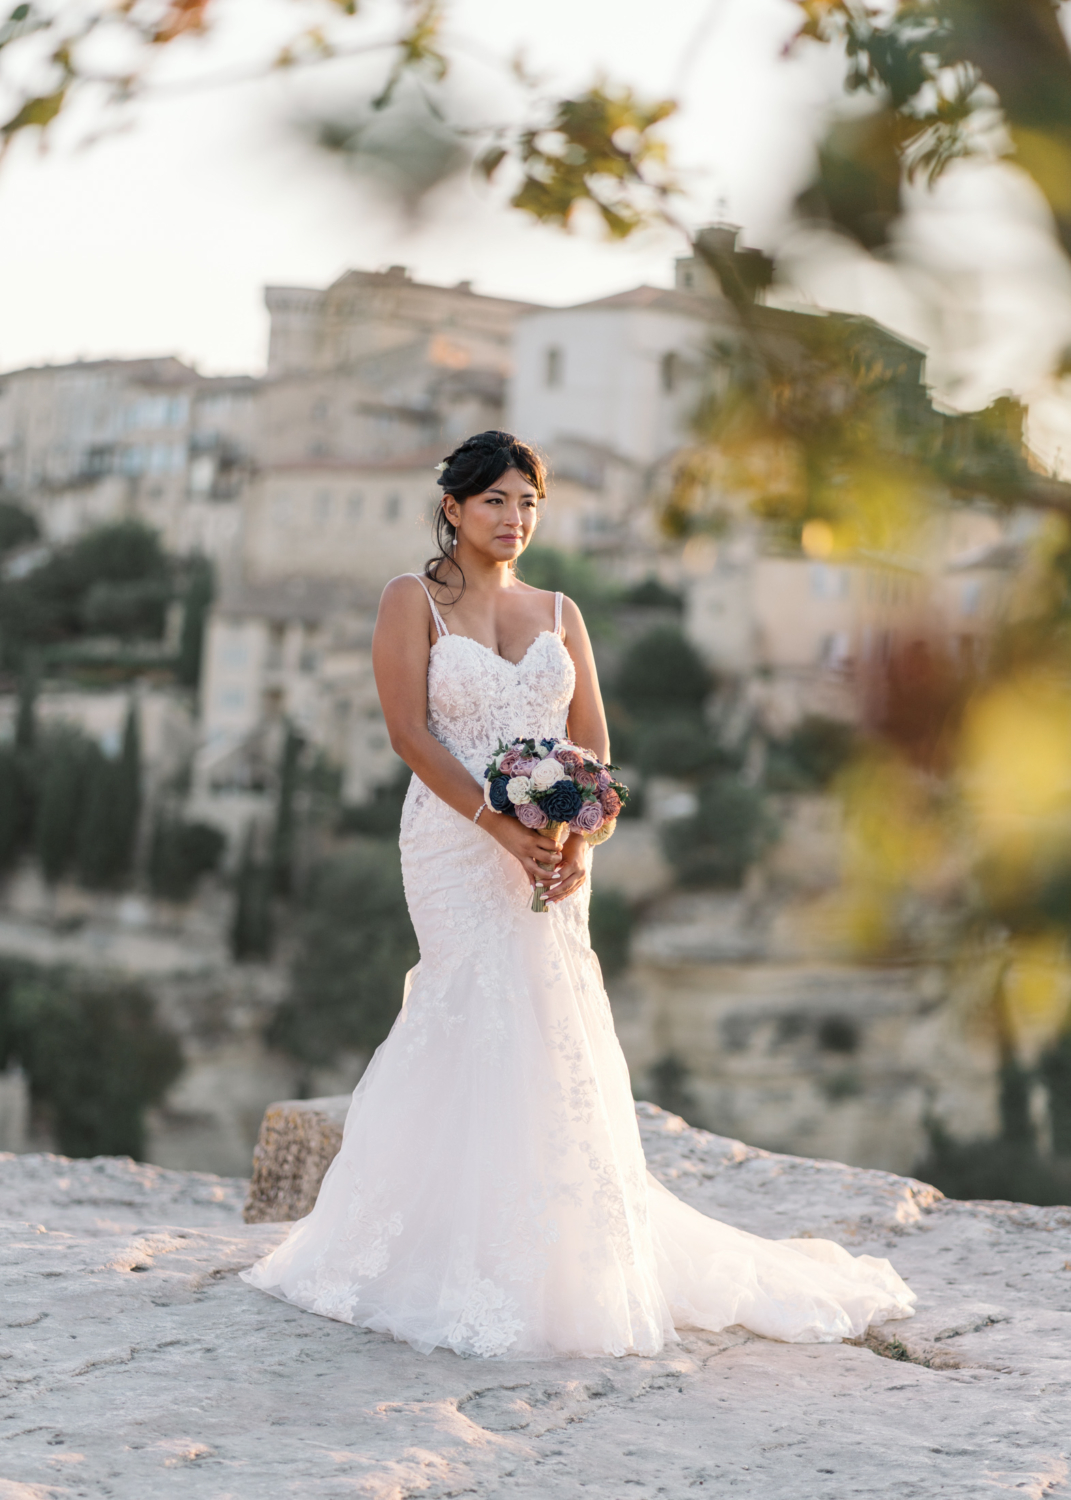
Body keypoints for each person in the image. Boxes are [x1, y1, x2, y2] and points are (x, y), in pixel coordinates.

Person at [241, 430, 916, 1358]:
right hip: (451, 839)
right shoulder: (412, 601)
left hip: (551, 847)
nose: (513, 519)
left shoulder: (560, 609)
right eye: (495, 502)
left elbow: (593, 749)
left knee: (550, 1016)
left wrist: (578, 842)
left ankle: (558, 1255)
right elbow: (409, 734)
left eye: (528, 503)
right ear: (454, 508)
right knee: (473, 1003)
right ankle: (435, 1251)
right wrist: (499, 824)